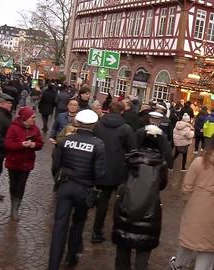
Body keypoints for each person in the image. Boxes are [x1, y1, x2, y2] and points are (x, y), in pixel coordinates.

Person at [112, 111, 171, 270]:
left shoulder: (130, 159)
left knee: (123, 249)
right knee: (143, 250)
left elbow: (122, 179)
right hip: (149, 209)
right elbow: (162, 185)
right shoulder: (161, 163)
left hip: (126, 206)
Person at [48, 109, 106, 269]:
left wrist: (59, 181)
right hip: (84, 188)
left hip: (66, 186)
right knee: (78, 223)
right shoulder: (98, 145)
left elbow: (56, 165)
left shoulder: (66, 141)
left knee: (60, 225)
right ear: (94, 125)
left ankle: (53, 264)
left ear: (78, 123)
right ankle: (71, 257)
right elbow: (99, 173)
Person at [170, 133, 214, 270]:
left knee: (188, 240)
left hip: (195, 208)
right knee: (208, 248)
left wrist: (189, 202)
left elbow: (187, 187)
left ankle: (179, 265)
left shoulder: (199, 162)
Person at [91, 101, 136, 243]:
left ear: (108, 110)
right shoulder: (125, 129)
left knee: (103, 202)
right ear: (122, 112)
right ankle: (119, 230)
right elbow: (132, 150)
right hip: (119, 170)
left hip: (101, 167)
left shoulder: (97, 125)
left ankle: (97, 231)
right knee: (121, 201)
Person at [4, 107, 43, 221]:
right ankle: (13, 203)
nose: (34, 119)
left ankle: (15, 209)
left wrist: (33, 145)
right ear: (25, 118)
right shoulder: (13, 128)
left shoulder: (35, 129)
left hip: (27, 163)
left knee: (21, 186)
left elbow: (40, 143)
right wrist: (22, 145)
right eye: (32, 117)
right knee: (13, 185)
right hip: (14, 162)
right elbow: (8, 144)